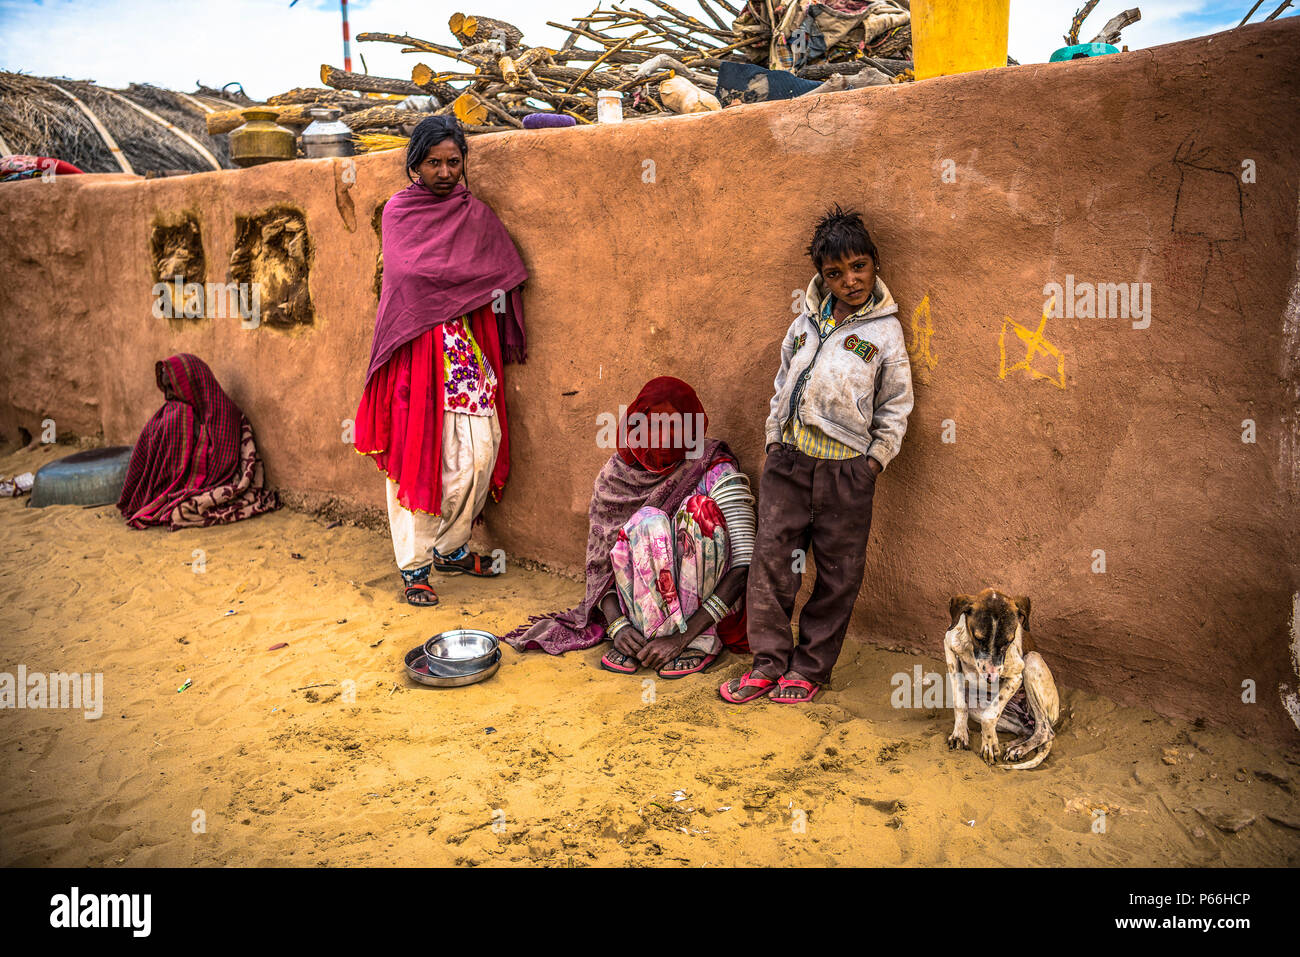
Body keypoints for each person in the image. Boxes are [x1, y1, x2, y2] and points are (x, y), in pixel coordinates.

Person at [720, 205, 913, 704]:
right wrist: (773, 439)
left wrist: (873, 462)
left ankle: (809, 670)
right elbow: (783, 382)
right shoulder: (804, 324)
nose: (850, 281)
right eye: (835, 273)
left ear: (874, 263)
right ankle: (767, 663)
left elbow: (896, 404)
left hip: (847, 473)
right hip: (789, 464)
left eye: (859, 267)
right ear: (821, 277)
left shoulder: (885, 334)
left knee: (837, 573)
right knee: (772, 563)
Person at [353, 116, 527, 607]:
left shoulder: (473, 214)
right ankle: (415, 567)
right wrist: (454, 285)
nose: (445, 171)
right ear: (415, 163)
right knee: (420, 457)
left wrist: (467, 286)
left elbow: (501, 267)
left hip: (464, 351)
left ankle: (451, 549)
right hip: (415, 350)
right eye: (434, 162)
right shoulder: (399, 212)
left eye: (454, 162)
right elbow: (408, 276)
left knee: (477, 453)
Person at [504, 377, 754, 678]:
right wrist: (618, 625)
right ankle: (643, 633)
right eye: (653, 424)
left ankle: (698, 643)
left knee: (698, 511)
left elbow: (744, 564)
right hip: (637, 617)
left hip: (702, 618)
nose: (662, 435)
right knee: (647, 521)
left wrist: (682, 638)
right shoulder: (616, 477)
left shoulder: (713, 468)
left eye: (674, 425)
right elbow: (602, 564)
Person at [117, 353, 278, 529]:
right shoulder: (176, 413)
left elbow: (221, 464)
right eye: (166, 389)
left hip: (208, 480)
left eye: (172, 388)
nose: (169, 395)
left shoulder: (222, 413)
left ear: (191, 385)